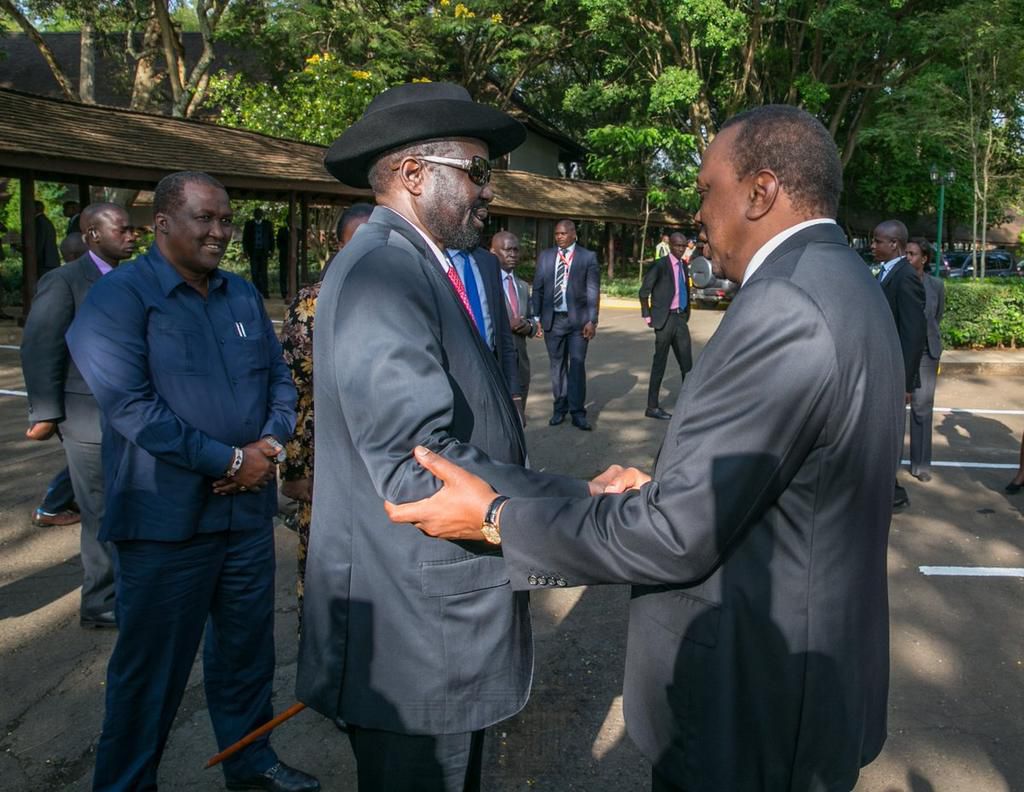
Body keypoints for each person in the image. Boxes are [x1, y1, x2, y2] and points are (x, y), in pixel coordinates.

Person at [386, 105, 903, 792]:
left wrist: (497, 517)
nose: (698, 214)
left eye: (704, 189)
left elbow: (676, 535)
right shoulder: (843, 282)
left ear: (761, 191)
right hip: (801, 689)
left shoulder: (787, 304)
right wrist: (668, 485)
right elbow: (778, 483)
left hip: (755, 716)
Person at [294, 82, 588, 792]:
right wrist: (575, 504)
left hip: (433, 629)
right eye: (478, 171)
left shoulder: (418, 263)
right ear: (413, 174)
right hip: (415, 643)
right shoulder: (382, 272)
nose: (491, 192)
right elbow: (416, 465)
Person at [67, 172, 318, 792]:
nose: (220, 232)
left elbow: (280, 381)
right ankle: (126, 783)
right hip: (165, 523)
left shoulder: (239, 294)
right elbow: (132, 407)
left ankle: (252, 765)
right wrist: (229, 462)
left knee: (245, 657)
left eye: (227, 220)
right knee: (150, 671)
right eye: (206, 219)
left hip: (243, 521)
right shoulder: (119, 298)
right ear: (162, 224)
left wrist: (265, 446)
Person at [22, 202, 136, 629]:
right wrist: (47, 412)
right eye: (122, 230)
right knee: (100, 508)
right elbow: (41, 346)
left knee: (127, 504)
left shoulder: (130, 279)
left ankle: (125, 590)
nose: (131, 236)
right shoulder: (64, 281)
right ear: (92, 235)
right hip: (85, 413)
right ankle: (101, 600)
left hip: (128, 413)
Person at [280, 202, 373, 629]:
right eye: (359, 240)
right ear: (339, 244)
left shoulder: (408, 299)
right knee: (327, 557)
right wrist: (295, 469)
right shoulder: (310, 305)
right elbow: (297, 390)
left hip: (387, 457)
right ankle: (326, 658)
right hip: (327, 456)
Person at [871, 219, 926, 508]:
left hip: (895, 374)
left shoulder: (905, 276)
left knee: (888, 431)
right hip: (883, 368)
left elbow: (914, 333)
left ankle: (890, 491)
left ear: (894, 244)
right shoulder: (886, 272)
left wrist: (906, 381)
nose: (873, 245)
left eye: (878, 241)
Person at [532, 219, 600, 430]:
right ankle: (559, 409)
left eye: (563, 233)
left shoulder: (587, 257)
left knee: (577, 365)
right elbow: (538, 288)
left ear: (573, 235)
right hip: (553, 320)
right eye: (557, 234)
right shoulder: (546, 256)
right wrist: (536, 318)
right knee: (557, 366)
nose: (559, 236)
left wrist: (592, 320)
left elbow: (592, 291)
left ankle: (578, 412)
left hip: (578, 322)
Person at [448, 243, 523, 402]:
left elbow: (503, 333)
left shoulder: (488, 262)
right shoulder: (432, 258)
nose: (480, 216)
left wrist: (514, 394)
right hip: (455, 382)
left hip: (493, 371)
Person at [639, 232, 693, 420]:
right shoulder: (660, 265)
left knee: (687, 364)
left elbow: (685, 289)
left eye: (684, 246)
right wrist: (647, 316)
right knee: (659, 364)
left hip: (680, 319)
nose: (681, 249)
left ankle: (689, 406)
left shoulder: (684, 266)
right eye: (678, 246)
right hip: (664, 320)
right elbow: (644, 292)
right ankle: (652, 407)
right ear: (670, 245)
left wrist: (685, 314)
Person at [906, 238, 945, 482]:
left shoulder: (937, 285)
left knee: (922, 409)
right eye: (906, 253)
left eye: (912, 254)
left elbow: (936, 316)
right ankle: (889, 467)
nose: (908, 258)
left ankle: (920, 465)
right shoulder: (899, 282)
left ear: (924, 258)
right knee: (894, 411)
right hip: (901, 352)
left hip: (927, 353)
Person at [491, 230, 537, 420]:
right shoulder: (487, 284)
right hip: (496, 362)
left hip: (520, 366)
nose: (513, 255)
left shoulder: (523, 287)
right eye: (507, 250)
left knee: (519, 418)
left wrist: (527, 326)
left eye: (516, 250)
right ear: (493, 252)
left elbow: (534, 322)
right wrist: (503, 325)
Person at [243, 207, 275, 298]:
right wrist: (245, 251)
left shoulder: (267, 224)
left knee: (264, 272)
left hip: (264, 252)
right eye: (256, 213)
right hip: (253, 252)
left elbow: (271, 238)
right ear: (254, 215)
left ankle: (265, 292)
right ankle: (255, 292)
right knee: (254, 272)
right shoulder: (249, 224)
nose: (258, 215)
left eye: (260, 213)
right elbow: (245, 239)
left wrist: (271, 251)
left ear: (262, 215)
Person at [34, 200, 60, 277]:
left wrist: (34, 257)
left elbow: (40, 242)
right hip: (49, 260)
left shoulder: (39, 222)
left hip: (45, 261)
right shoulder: (45, 220)